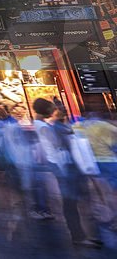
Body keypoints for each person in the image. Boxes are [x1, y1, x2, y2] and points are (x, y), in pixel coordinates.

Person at [32, 98, 99, 248]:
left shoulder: (43, 125)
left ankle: (85, 234)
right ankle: (80, 235)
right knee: (71, 201)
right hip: (63, 166)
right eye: (54, 108)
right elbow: (57, 144)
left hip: (63, 166)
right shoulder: (47, 127)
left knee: (75, 200)